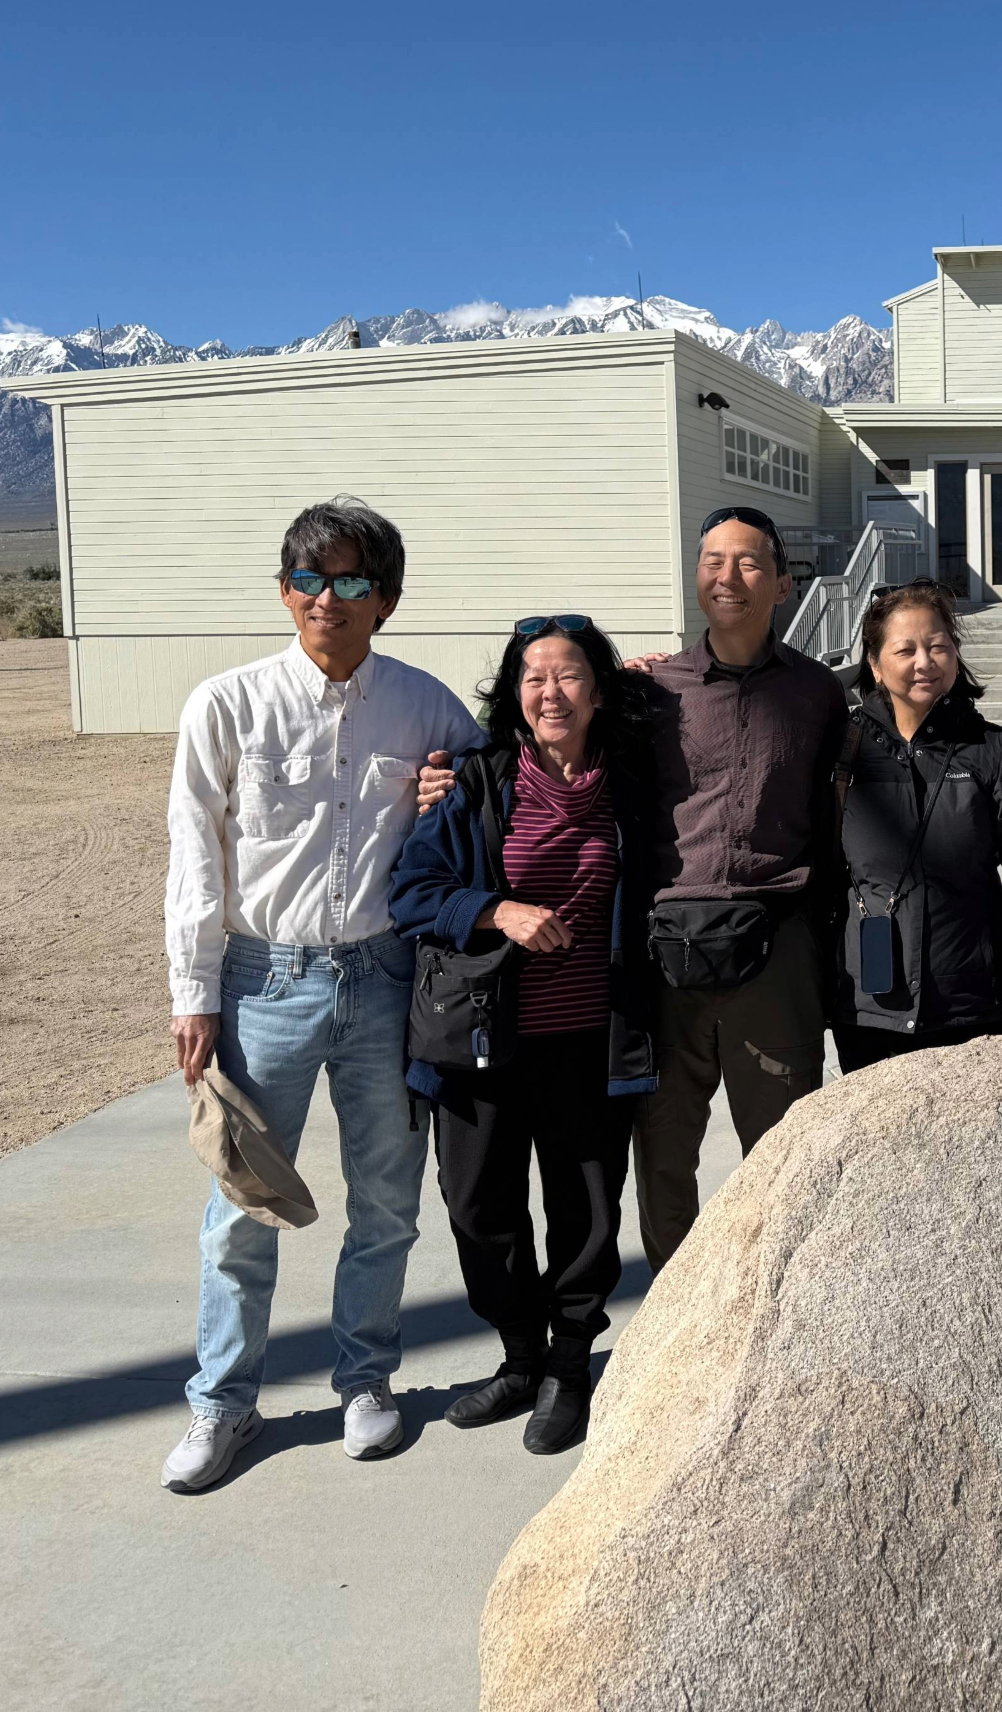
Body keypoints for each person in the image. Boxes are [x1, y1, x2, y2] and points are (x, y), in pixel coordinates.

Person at [160, 499, 484, 1495]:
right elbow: (194, 852)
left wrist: (457, 793)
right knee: (241, 1206)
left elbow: (493, 800)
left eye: (350, 583)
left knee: (385, 1199)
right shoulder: (226, 704)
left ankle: (366, 1381)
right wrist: (194, 991)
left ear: (385, 600)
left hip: (385, 978)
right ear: (284, 590)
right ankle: (224, 1405)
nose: (326, 600)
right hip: (264, 982)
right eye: (309, 579)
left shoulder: (427, 707)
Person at [388, 615, 661, 1455]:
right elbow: (412, 892)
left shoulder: (635, 780)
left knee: (584, 1211)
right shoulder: (475, 780)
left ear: (600, 689)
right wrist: (495, 909)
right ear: (513, 691)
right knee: (479, 1209)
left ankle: (570, 1365)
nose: (552, 691)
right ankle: (519, 1354)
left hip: (591, 1037)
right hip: (482, 1039)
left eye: (570, 674)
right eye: (534, 676)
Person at [637, 507, 849, 1271]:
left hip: (777, 945)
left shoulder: (817, 693)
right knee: (664, 1152)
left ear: (785, 584)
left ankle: (774, 1310)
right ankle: (675, 1322)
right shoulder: (651, 690)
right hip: (667, 951)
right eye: (712, 561)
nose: (728, 577)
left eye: (749, 562)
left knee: (784, 1148)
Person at [832, 580, 1002, 1068]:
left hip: (971, 1001)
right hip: (868, 1007)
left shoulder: (993, 750)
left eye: (938, 646)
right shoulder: (840, 749)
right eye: (905, 649)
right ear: (874, 662)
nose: (924, 662)